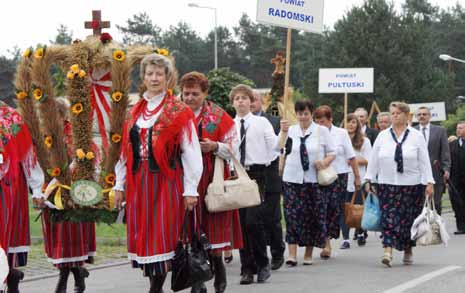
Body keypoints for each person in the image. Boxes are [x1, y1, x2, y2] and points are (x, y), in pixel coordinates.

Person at [113, 53, 203, 293]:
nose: (154, 78)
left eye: (159, 74)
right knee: (145, 237)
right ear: (143, 77)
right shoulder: (134, 112)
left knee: (162, 236)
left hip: (166, 181)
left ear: (168, 78)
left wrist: (191, 189)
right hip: (138, 182)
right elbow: (125, 152)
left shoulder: (178, 110)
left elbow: (191, 151)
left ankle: (155, 289)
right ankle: (156, 287)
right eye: (150, 73)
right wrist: (119, 185)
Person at [180, 71, 243, 293]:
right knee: (189, 228)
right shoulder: (175, 113)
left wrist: (215, 146)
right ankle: (197, 279)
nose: (189, 98)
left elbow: (235, 147)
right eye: (186, 93)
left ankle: (218, 269)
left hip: (212, 177)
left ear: (205, 93)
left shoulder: (218, 116)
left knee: (214, 226)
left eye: (194, 94)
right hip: (185, 178)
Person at [39, 98, 98, 293]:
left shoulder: (72, 135)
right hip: (50, 192)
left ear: (62, 115)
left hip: (72, 192)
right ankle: (78, 273)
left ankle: (63, 279)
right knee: (58, 238)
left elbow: (84, 159)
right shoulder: (44, 136)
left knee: (70, 236)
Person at [365, 101, 434, 267]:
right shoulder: (383, 135)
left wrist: (429, 182)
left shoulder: (416, 136)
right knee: (388, 218)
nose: (394, 116)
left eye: (397, 113)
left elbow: (424, 161)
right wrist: (369, 179)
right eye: (392, 113)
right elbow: (374, 159)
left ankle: (408, 249)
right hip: (387, 184)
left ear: (406, 115)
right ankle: (387, 251)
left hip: (412, 185)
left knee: (408, 220)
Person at [231, 84, 278, 285]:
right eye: (237, 98)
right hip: (236, 174)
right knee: (241, 225)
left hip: (257, 174)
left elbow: (275, 147)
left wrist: (282, 135)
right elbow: (226, 150)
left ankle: (262, 263)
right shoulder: (229, 124)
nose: (240, 101)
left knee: (253, 221)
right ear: (233, 103)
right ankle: (246, 269)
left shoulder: (261, 122)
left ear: (251, 101)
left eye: (244, 98)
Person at [281, 100, 336, 266]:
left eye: (305, 113)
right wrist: (282, 133)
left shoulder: (321, 131)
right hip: (292, 179)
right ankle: (291, 254)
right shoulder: (290, 130)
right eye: (299, 113)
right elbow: (280, 149)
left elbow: (333, 152)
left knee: (311, 216)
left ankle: (308, 253)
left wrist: (325, 162)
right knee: (292, 216)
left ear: (311, 113)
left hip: (313, 180)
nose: (302, 117)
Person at [0, 102, 44, 293]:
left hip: (7, 186)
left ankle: (8, 276)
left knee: (5, 235)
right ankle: (10, 276)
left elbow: (27, 155)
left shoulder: (12, 118)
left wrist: (37, 188)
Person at [314, 106, 360, 259]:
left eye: (323, 121)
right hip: (320, 176)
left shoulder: (341, 133)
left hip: (338, 176)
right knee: (322, 208)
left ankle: (331, 235)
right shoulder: (314, 133)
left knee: (335, 209)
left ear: (331, 120)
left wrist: (357, 177)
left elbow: (351, 156)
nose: (320, 125)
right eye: (317, 122)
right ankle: (325, 244)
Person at [250, 91, 285, 271]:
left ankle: (278, 252)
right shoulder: (241, 122)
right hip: (249, 180)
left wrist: (284, 136)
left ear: (261, 101)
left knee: (272, 219)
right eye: (248, 100)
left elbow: (285, 146)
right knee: (253, 221)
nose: (250, 103)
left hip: (269, 177)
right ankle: (257, 257)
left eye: (254, 100)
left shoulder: (274, 122)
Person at [340, 114, 372, 249]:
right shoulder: (338, 139)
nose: (350, 125)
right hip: (342, 178)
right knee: (344, 209)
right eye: (348, 122)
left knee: (359, 208)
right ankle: (345, 238)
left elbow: (368, 159)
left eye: (353, 122)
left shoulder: (364, 141)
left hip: (359, 178)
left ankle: (360, 232)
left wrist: (354, 160)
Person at [414, 106, 450, 214]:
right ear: (416, 117)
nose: (422, 116)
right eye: (419, 114)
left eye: (424, 114)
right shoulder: (411, 131)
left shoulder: (440, 130)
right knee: (419, 204)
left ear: (429, 116)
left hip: (436, 172)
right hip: (416, 173)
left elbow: (445, 152)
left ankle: (436, 228)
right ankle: (422, 229)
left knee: (436, 203)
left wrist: (446, 168)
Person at [448, 122, 465, 235]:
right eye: (457, 128)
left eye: (461, 128)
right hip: (455, 179)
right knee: (457, 203)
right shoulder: (452, 144)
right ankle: (461, 227)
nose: (458, 130)